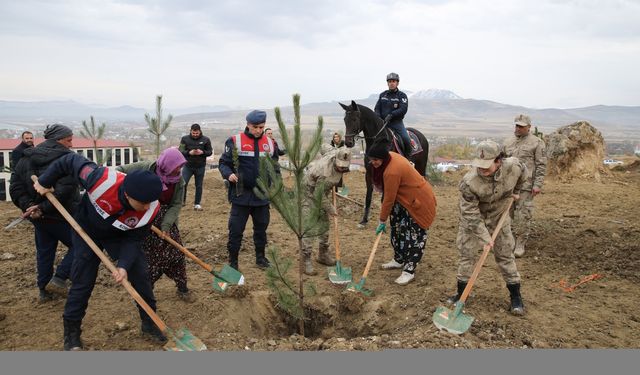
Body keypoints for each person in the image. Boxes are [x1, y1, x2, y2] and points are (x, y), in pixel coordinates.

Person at [33, 153, 167, 350]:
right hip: (86, 229)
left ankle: (149, 323)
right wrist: (45, 181)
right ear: (129, 195)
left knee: (141, 276)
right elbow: (69, 161)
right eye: (143, 202)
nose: (147, 206)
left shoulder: (151, 208)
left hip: (121, 236)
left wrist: (123, 266)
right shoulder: (100, 180)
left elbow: (134, 239)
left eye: (150, 202)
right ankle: (72, 334)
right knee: (82, 281)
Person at [446, 140, 528, 316]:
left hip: (500, 215)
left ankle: (516, 297)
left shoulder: (513, 166)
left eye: (487, 165)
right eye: (479, 165)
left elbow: (524, 175)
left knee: (505, 255)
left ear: (499, 161)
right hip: (474, 220)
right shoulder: (469, 182)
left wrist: (517, 191)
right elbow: (471, 215)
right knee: (466, 255)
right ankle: (461, 294)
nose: (482, 169)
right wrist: (486, 238)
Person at [9, 124, 79, 302]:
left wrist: (30, 206)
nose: (71, 144)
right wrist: (37, 207)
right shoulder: (68, 159)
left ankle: (44, 290)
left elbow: (16, 188)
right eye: (69, 140)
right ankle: (59, 278)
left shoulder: (27, 157)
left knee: (45, 251)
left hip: (39, 217)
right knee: (81, 246)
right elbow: (66, 190)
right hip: (61, 216)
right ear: (58, 140)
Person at [116, 147, 194, 302]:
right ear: (167, 164)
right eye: (176, 167)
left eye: (180, 166)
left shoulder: (179, 180)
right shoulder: (145, 168)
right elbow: (119, 171)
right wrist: (128, 195)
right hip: (144, 218)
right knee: (148, 260)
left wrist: (165, 226)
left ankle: (182, 287)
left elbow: (176, 204)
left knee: (176, 255)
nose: (179, 170)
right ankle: (144, 294)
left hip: (166, 220)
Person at [367, 138, 437, 285]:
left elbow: (388, 198)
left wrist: (381, 220)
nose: (373, 162)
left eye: (376, 160)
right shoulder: (388, 158)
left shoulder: (391, 171)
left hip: (418, 201)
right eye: (371, 159)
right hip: (404, 199)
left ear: (383, 158)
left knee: (414, 235)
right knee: (397, 228)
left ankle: (409, 271)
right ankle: (399, 259)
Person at [218, 110, 275, 271]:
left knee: (261, 229)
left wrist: (274, 184)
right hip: (240, 194)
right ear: (248, 125)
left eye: (261, 127)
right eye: (255, 127)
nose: (258, 130)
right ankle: (233, 262)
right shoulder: (235, 141)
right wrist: (228, 174)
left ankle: (260, 258)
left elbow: (274, 166)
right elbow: (223, 163)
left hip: (261, 196)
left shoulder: (270, 143)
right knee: (235, 230)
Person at [301, 147, 352, 275]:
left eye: (344, 166)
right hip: (308, 193)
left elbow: (323, 146)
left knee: (324, 224)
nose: (341, 168)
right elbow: (319, 195)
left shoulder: (336, 152)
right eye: (339, 166)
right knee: (310, 226)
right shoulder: (325, 173)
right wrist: (331, 208)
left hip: (321, 191)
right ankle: (306, 259)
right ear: (335, 160)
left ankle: (323, 254)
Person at [503, 114, 547, 258]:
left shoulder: (537, 143)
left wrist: (538, 184)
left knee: (523, 215)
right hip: (508, 186)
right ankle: (508, 242)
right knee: (506, 215)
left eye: (521, 126)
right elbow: (501, 163)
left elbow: (541, 165)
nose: (518, 128)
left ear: (529, 127)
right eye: (516, 125)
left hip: (526, 186)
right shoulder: (508, 142)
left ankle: (520, 243)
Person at [374, 72, 411, 157]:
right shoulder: (382, 95)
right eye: (390, 81)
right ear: (387, 83)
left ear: (397, 83)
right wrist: (379, 118)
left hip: (396, 123)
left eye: (393, 81)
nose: (391, 83)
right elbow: (377, 108)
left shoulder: (402, 95)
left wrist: (392, 114)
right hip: (383, 123)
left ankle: (408, 159)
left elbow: (403, 109)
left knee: (406, 139)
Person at [179, 123, 213, 211]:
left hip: (200, 166)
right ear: (190, 131)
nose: (195, 135)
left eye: (196, 133)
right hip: (188, 166)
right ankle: (181, 201)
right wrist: (188, 153)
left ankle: (197, 204)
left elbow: (209, 152)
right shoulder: (184, 139)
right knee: (183, 184)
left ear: (200, 131)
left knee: (199, 185)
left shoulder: (206, 139)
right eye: (193, 133)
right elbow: (181, 150)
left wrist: (202, 152)